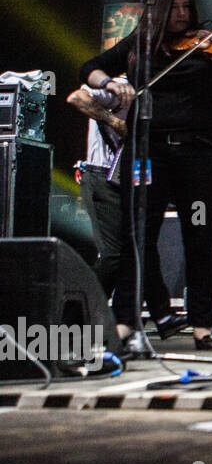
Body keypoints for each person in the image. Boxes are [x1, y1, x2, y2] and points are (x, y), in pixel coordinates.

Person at [79, 0, 212, 352]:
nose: (182, 15)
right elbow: (91, 68)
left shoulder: (206, 44)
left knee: (199, 237)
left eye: (187, 7)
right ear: (158, 7)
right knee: (138, 237)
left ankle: (201, 325)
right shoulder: (139, 44)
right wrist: (110, 84)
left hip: (200, 156)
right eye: (174, 7)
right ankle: (127, 322)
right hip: (149, 153)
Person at [66, 76, 129, 299]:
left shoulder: (151, 92)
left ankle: (116, 318)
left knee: (130, 255)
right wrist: (116, 123)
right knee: (113, 255)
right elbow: (77, 97)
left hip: (127, 179)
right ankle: (76, 315)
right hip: (102, 177)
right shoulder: (118, 86)